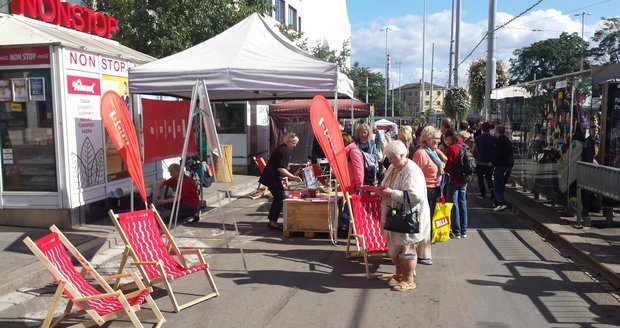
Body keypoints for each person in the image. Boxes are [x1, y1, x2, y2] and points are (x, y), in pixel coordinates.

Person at [380, 141, 430, 291]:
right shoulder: (393, 166)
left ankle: (408, 280)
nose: (389, 160)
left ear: (403, 155)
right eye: (388, 157)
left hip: (408, 217)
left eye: (392, 157)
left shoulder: (412, 171)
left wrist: (392, 193)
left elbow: (416, 196)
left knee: (407, 248)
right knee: (396, 247)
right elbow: (386, 183)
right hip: (396, 215)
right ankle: (400, 274)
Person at [412, 126, 446, 265]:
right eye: (434, 138)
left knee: (428, 223)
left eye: (439, 138)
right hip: (424, 191)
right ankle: (421, 254)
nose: (438, 141)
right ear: (426, 138)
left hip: (434, 190)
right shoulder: (421, 153)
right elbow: (413, 174)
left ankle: (423, 252)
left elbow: (445, 160)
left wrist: (435, 149)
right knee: (423, 223)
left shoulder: (431, 152)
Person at [259, 132, 303, 230]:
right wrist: (293, 177)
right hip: (272, 177)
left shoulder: (282, 148)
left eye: (295, 143)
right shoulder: (284, 151)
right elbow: (281, 168)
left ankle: (271, 220)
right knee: (280, 197)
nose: (295, 146)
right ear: (288, 141)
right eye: (293, 143)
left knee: (278, 198)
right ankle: (273, 221)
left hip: (271, 177)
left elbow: (281, 166)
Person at [443, 128, 469, 238]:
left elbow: (448, 167)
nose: (445, 140)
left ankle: (456, 230)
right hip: (463, 179)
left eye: (445, 138)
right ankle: (464, 230)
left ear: (449, 137)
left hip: (453, 180)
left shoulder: (451, 149)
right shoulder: (464, 146)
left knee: (454, 205)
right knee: (462, 203)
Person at [491, 126, 514, 212]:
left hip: (501, 165)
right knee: (501, 183)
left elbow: (498, 154)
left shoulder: (499, 140)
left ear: (497, 131)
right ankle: (498, 201)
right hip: (508, 164)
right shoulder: (507, 140)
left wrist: (493, 162)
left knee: (497, 184)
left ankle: (500, 202)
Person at [472, 122, 495, 199]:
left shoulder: (478, 138)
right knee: (489, 177)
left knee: (480, 178)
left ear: (482, 129)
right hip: (489, 162)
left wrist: (474, 158)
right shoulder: (493, 139)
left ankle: (482, 193)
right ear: (489, 129)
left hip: (480, 162)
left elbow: (473, 150)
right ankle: (491, 190)